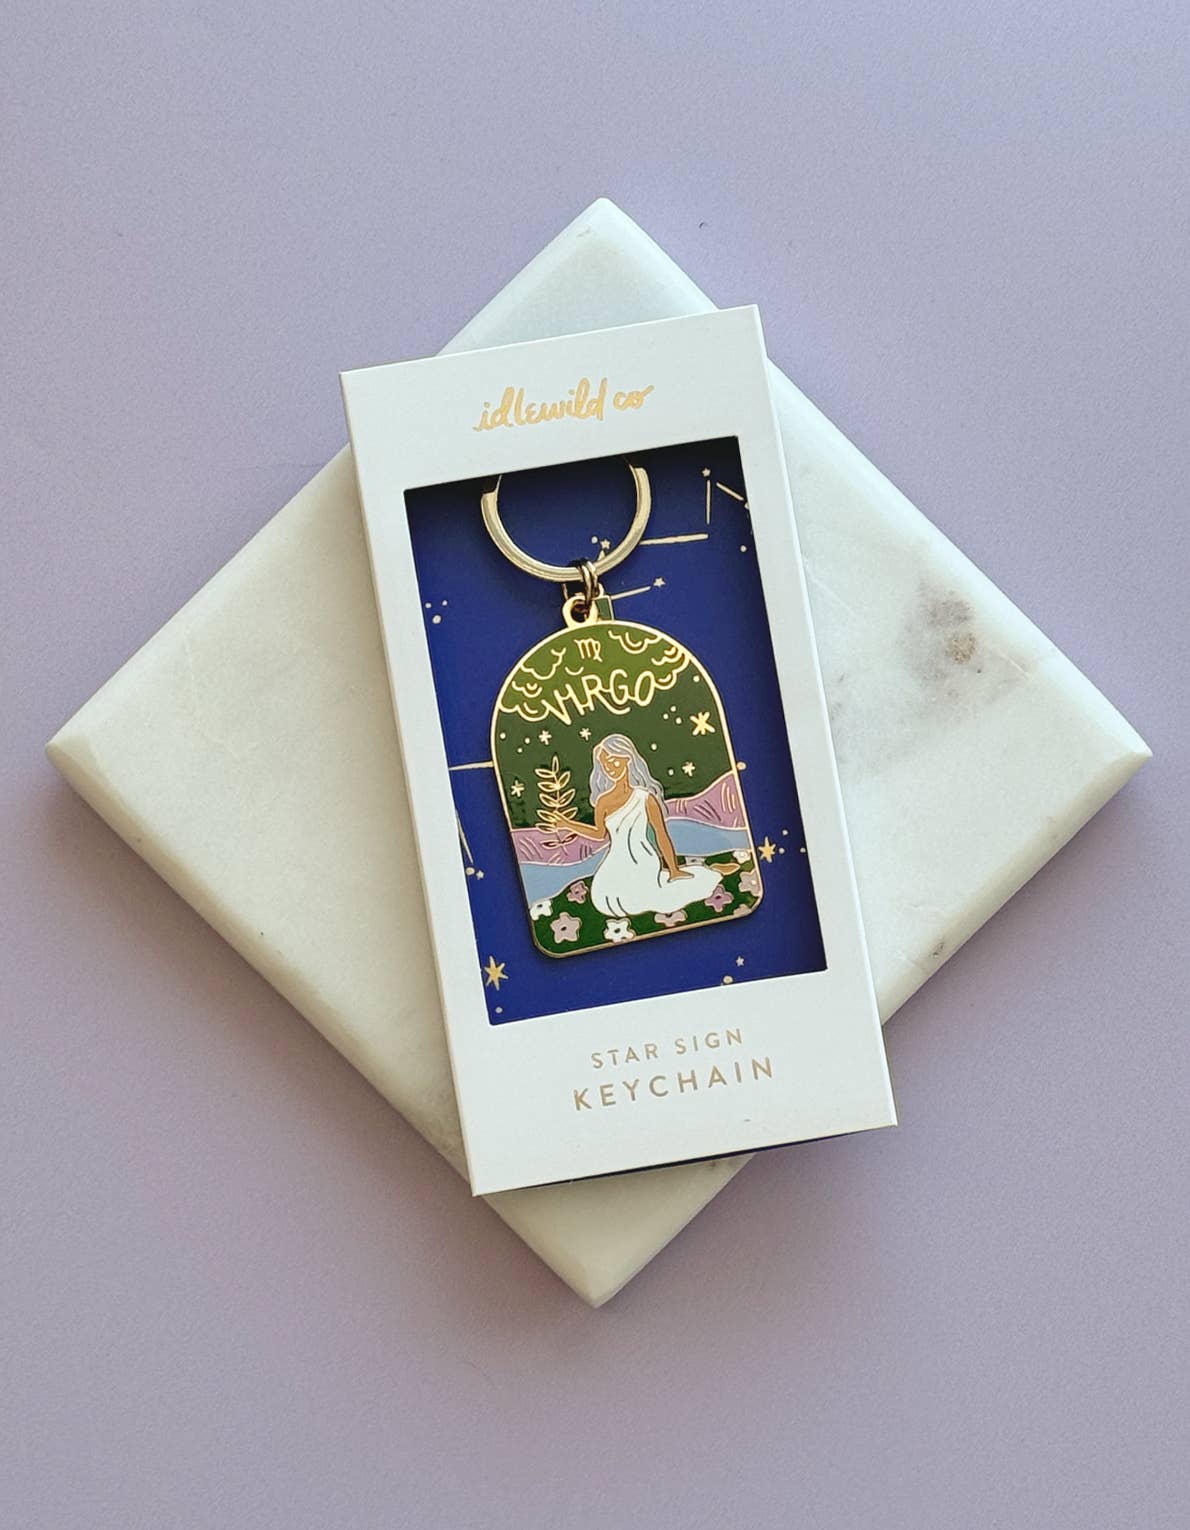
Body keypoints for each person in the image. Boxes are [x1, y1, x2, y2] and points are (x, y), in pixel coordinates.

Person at [544, 733, 728, 918]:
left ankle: (709, 872)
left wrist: (673, 869)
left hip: (643, 858)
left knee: (640, 897)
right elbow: (600, 834)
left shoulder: (645, 798)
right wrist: (568, 824)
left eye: (614, 761)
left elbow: (661, 834)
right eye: (605, 764)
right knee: (604, 898)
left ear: (627, 759)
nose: (610, 768)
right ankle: (709, 870)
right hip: (615, 860)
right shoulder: (603, 801)